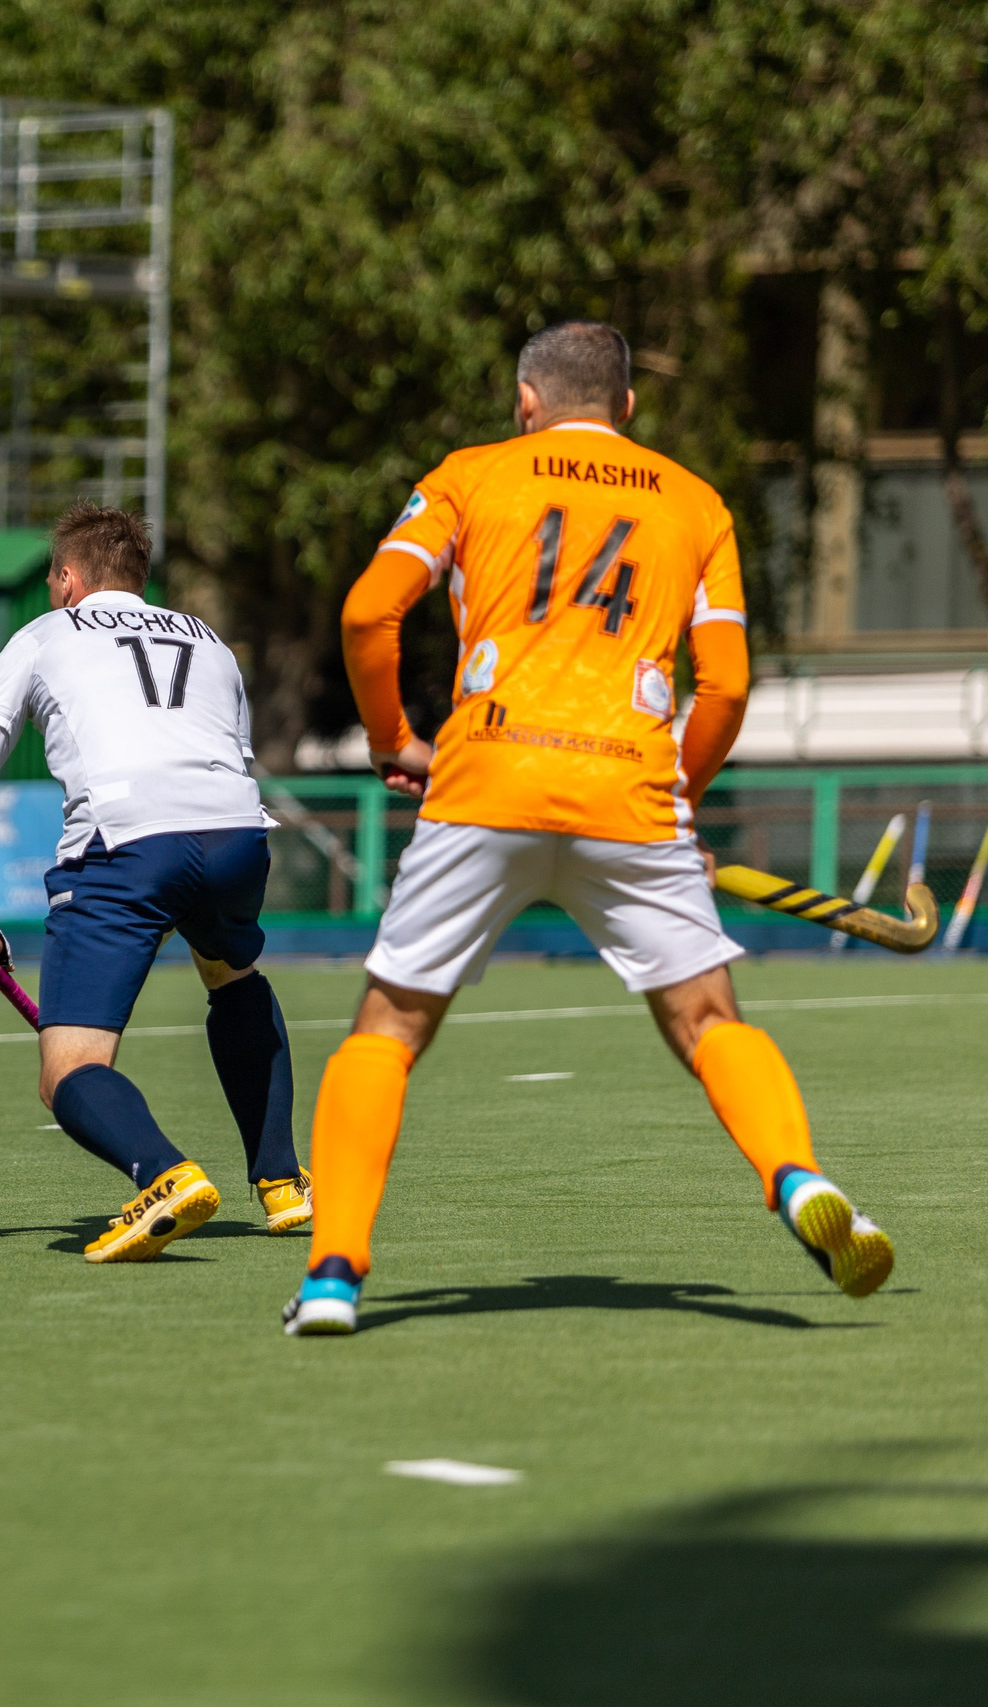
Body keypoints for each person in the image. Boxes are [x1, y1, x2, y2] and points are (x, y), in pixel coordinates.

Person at [285, 321, 893, 1337]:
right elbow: (729, 685)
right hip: (628, 788)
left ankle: (335, 1276)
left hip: (485, 773)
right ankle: (794, 1181)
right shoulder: (695, 503)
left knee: (387, 1029)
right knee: (710, 1023)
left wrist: (395, 736)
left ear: (526, 401)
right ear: (627, 407)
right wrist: (679, 797)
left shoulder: (470, 476)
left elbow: (365, 614)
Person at [0, 504, 309, 1263]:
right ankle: (283, 1181)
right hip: (238, 835)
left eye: (50, 579)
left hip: (127, 842)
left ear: (69, 579)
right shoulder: (212, 643)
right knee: (231, 973)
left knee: (67, 1070)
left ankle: (163, 1174)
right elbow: (230, 759)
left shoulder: (41, 637)